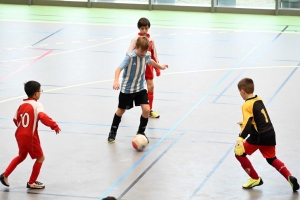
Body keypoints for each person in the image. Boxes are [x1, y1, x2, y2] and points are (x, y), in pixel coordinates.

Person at [234, 78, 299, 191]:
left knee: (239, 154)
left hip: (259, 136)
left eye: (239, 91)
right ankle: (289, 177)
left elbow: (248, 124)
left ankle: (255, 179)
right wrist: (246, 125)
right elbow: (258, 119)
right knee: (271, 159)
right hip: (270, 133)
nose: (240, 94)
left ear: (243, 91)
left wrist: (240, 138)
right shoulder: (259, 99)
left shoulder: (246, 105)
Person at [0, 81, 61, 189]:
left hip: (19, 134)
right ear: (36, 93)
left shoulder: (21, 104)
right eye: (40, 91)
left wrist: (23, 128)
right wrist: (54, 125)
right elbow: (42, 116)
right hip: (30, 136)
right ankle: (31, 182)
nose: (40, 93)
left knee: (21, 156)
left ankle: (5, 175)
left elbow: (15, 119)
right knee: (41, 158)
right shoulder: (37, 105)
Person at [108, 36, 168, 144]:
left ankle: (141, 132)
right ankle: (113, 131)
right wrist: (116, 81)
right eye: (141, 51)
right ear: (136, 47)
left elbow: (151, 61)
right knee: (120, 111)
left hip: (140, 88)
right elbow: (118, 69)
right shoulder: (130, 57)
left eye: (145, 51)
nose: (143, 53)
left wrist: (160, 67)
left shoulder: (146, 55)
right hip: (127, 89)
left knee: (146, 109)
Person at [127, 17, 161, 118]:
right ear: (139, 28)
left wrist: (157, 68)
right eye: (142, 29)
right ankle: (123, 103)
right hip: (137, 67)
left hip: (148, 67)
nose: (144, 31)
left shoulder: (151, 39)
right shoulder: (135, 39)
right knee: (131, 88)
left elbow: (154, 54)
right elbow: (129, 53)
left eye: (146, 28)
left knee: (151, 86)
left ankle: (149, 109)